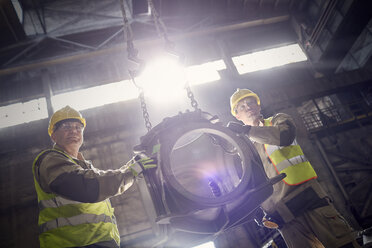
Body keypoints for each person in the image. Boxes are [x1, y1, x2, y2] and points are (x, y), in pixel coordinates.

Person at [227, 89, 360, 248]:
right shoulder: (243, 149)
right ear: (237, 116)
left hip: (308, 198)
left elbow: (285, 136)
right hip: (282, 214)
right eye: (241, 107)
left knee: (343, 245)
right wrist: (255, 208)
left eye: (250, 103)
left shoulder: (279, 120)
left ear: (258, 105)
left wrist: (247, 131)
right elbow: (249, 182)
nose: (247, 107)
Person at [32, 106, 156, 248]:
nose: (74, 131)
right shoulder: (50, 160)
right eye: (66, 127)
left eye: (78, 128)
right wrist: (132, 171)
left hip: (99, 242)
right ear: (53, 135)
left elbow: (101, 179)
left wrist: (133, 165)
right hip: (73, 244)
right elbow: (87, 186)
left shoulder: (83, 167)